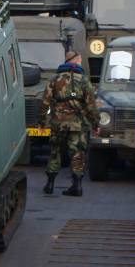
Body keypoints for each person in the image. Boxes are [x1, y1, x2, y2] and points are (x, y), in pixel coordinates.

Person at [41, 51, 99, 197]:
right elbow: (91, 105)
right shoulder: (84, 80)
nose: (80, 61)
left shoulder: (54, 79)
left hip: (58, 124)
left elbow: (45, 102)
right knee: (77, 153)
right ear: (75, 61)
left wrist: (41, 121)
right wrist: (95, 122)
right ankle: (77, 186)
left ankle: (50, 184)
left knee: (55, 152)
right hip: (77, 125)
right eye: (79, 59)